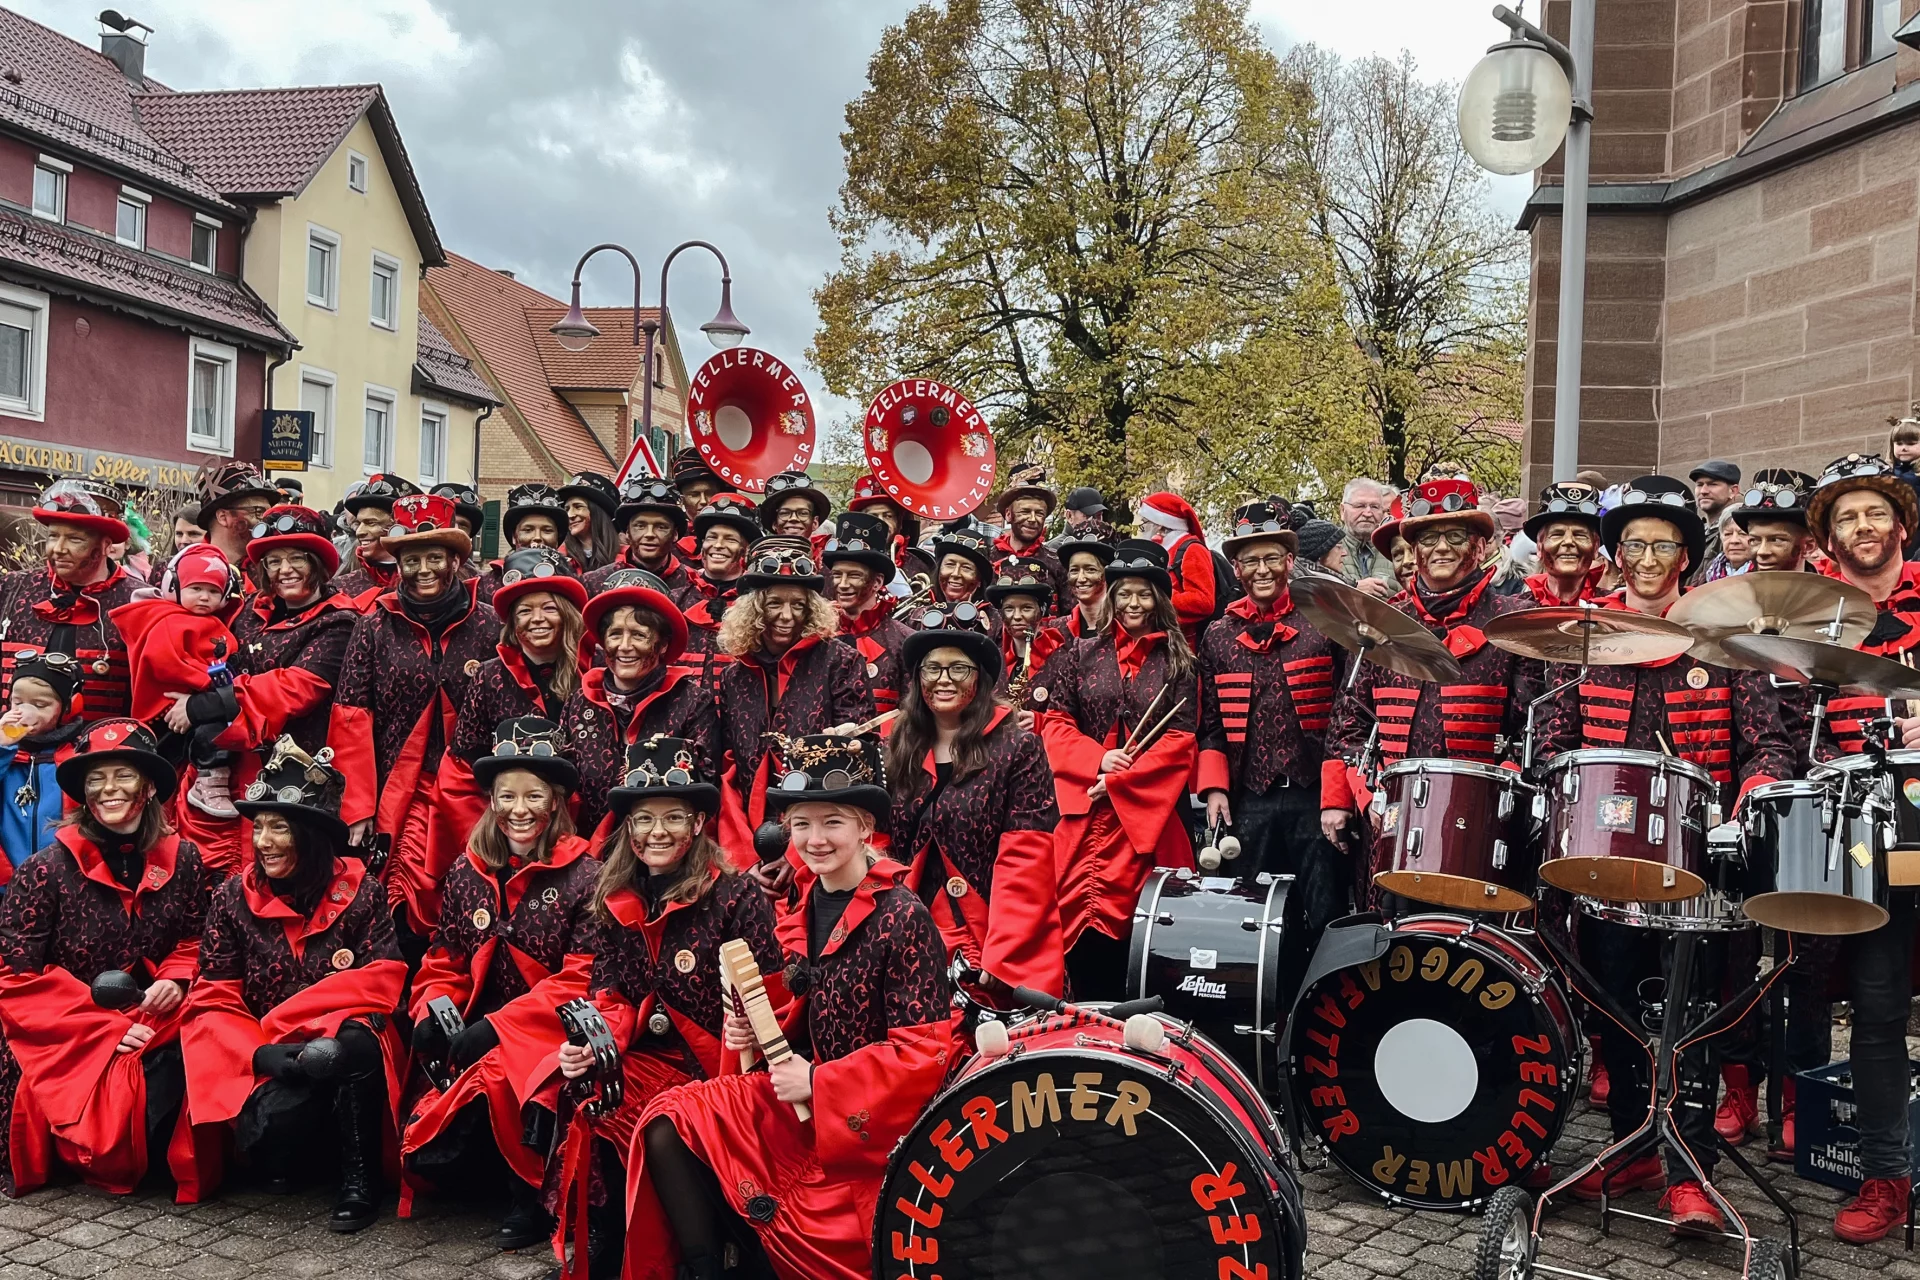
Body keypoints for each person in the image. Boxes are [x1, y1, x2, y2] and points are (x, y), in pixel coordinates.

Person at [1535, 473, 1794, 1234]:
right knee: (1614, 1005)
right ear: (1616, 555)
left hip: (1698, 863)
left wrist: (1754, 790)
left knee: (1692, 1015)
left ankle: (1692, 1170)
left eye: (1664, 544)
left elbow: (1767, 747)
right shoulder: (1585, 639)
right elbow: (1554, 740)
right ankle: (1629, 1144)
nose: (1648, 558)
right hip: (1606, 859)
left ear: (1687, 554)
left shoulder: (1722, 638)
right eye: (1635, 544)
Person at [626, 732, 952, 1280]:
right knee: (664, 1123)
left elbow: (924, 1053)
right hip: (800, 1100)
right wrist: (755, 1030)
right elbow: (808, 1013)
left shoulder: (903, 914)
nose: (815, 839)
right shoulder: (806, 903)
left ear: (865, 827)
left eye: (832, 822)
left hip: (864, 1123)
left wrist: (821, 1083)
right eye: (801, 824)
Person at [549, 736, 784, 1279]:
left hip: (723, 1064)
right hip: (650, 1055)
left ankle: (700, 1265)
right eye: (643, 819)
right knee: (586, 1094)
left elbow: (765, 1000)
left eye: (673, 817)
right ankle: (612, 1249)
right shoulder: (612, 894)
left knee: (662, 1124)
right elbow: (607, 995)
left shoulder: (734, 895)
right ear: (627, 828)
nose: (657, 832)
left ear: (699, 823)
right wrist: (589, 1047)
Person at [179, 739, 406, 1227]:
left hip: (337, 1040)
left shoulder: (363, 892)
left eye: (278, 826)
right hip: (262, 1047)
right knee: (274, 1136)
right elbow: (213, 993)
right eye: (257, 826)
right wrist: (257, 1052)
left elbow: (381, 979)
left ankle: (360, 1180)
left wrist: (309, 1024)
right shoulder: (231, 897)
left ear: (311, 834)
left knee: (361, 1042)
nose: (262, 842)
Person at [1785, 452, 1920, 1242]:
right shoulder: (1819, 619)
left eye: (1874, 514)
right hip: (1868, 837)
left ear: (1899, 523)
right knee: (1872, 1011)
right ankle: (1886, 1178)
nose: (1863, 529)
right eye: (1846, 519)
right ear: (1827, 538)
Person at [401, 718, 595, 1248]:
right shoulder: (469, 869)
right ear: (490, 800)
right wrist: (432, 1007)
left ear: (554, 802)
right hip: (479, 1019)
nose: (519, 809)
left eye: (533, 795)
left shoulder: (586, 875)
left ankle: (528, 1196)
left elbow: (582, 976)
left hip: (553, 1026)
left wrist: (499, 1026)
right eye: (506, 795)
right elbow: (447, 956)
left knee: (500, 1072)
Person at [0, 719, 207, 1196]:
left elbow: (198, 939)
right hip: (66, 1025)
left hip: (156, 1013)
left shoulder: (187, 859)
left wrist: (176, 980)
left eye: (123, 776)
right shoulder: (44, 871)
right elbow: (15, 975)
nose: (109, 790)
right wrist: (105, 1027)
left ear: (149, 785)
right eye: (96, 779)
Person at [1322, 478, 1533, 859]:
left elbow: (1535, 726)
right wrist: (1361, 795)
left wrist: (1499, 791)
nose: (1440, 548)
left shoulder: (1514, 621)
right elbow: (1347, 722)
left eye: (1455, 536)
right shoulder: (1381, 622)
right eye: (1428, 538)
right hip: (1387, 816)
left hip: (1482, 824)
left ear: (1480, 545)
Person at [1031, 537, 1199, 998]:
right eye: (1123, 592)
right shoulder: (1077, 654)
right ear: (1111, 594)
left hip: (1145, 813)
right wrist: (1098, 761)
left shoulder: (1179, 661)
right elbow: (1057, 723)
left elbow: (1180, 738)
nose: (1132, 603)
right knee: (1071, 920)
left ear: (1159, 599)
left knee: (1145, 926)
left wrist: (1123, 780)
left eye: (1144, 593)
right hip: (1083, 805)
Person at [330, 494, 497, 943]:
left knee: (471, 890)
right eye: (412, 559)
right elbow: (351, 713)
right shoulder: (375, 624)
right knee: (396, 897)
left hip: (474, 792)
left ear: (456, 560)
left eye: (434, 557)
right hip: (396, 791)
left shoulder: (490, 624)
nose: (424, 570)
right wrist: (357, 806)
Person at [171, 505, 359, 878]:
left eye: (295, 559)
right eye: (273, 561)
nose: (284, 570)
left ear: (318, 563)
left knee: (285, 875)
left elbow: (296, 689)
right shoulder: (249, 613)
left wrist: (204, 705)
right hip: (229, 770)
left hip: (295, 779)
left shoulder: (339, 621)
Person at [888, 606, 1063, 997]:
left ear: (979, 679)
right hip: (906, 927)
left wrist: (1006, 953)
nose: (943, 679)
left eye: (958, 669)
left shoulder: (1019, 747)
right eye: (931, 669)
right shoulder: (898, 745)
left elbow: (1026, 856)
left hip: (982, 934)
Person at [1197, 502, 1346, 938]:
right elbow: (1210, 724)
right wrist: (1215, 788)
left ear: (1290, 562)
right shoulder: (1218, 634)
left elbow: (1348, 712)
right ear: (1237, 568)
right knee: (1249, 916)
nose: (1262, 570)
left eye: (1271, 558)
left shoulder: (1325, 618)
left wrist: (1337, 795)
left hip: (1314, 795)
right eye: (1250, 561)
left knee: (1325, 913)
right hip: (1250, 798)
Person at [428, 547, 588, 882]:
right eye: (525, 610)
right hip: (510, 829)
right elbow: (462, 766)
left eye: (548, 608)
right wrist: (495, 837)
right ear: (513, 622)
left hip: (582, 827)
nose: (537, 618)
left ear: (567, 614)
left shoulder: (594, 673)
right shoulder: (489, 676)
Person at [713, 539, 875, 867]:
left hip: (820, 834)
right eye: (774, 604)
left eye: (798, 605)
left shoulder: (841, 661)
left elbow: (856, 759)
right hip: (749, 831)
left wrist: (795, 852)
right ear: (755, 608)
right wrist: (744, 852)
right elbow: (730, 766)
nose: (787, 616)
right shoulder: (734, 675)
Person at [560, 571, 715, 840]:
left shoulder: (693, 702)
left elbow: (705, 793)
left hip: (664, 853)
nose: (624, 646)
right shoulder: (579, 702)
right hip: (590, 857)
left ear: (663, 644)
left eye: (639, 635)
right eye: (615, 634)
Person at [111, 544, 243, 818]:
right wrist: (209, 687)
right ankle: (207, 779)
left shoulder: (212, 622)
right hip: (166, 707)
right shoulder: (167, 620)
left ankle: (208, 779)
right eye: (196, 589)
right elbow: (164, 661)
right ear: (174, 586)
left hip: (194, 702)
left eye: (214, 591)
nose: (205, 598)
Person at [0, 480, 140, 723]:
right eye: (53, 536)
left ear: (106, 545)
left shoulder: (138, 600)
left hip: (99, 753)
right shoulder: (11, 587)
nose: (58, 549)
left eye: (75, 539)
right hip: (12, 749)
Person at [0, 653, 85, 880]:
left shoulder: (81, 755)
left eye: (41, 704)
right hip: (7, 883)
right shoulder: (5, 752)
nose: (26, 711)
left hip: (65, 882)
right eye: (17, 702)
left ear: (68, 708)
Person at [822, 510, 912, 715]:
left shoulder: (904, 641)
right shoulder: (816, 636)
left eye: (854, 575)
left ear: (878, 582)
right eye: (837, 575)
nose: (842, 584)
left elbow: (913, 719)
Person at [677, 493, 760, 657]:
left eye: (730, 539)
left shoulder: (758, 602)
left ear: (746, 550)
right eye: (711, 537)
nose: (718, 545)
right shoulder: (676, 598)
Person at [588, 477, 695, 597]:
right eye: (640, 526)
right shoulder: (594, 583)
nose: (649, 534)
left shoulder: (694, 586)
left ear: (675, 534)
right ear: (627, 532)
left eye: (661, 527)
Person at [1135, 491, 1218, 645]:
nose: (1142, 528)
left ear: (1159, 524)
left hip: (1183, 645)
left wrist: (1155, 598)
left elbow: (1203, 601)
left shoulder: (1192, 549)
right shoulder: (1161, 548)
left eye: (1145, 522)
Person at [330, 474, 422, 608]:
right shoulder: (341, 587)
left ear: (399, 527)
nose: (360, 532)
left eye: (371, 523)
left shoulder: (432, 583)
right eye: (359, 523)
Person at [992, 466, 1070, 610]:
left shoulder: (1057, 563)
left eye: (1039, 513)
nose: (1033, 519)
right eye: (1025, 511)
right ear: (1009, 514)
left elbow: (1070, 616)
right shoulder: (988, 558)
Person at [1520, 481, 1605, 605]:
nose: (1569, 541)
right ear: (1539, 547)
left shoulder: (1612, 610)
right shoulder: (1515, 610)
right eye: (1557, 534)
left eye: (1580, 535)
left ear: (1595, 547)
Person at [479, 485, 571, 599]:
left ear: (557, 539)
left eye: (547, 530)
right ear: (514, 537)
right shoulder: (485, 585)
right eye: (528, 530)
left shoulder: (573, 577)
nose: (537, 537)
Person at [847, 472, 932, 584]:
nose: (881, 523)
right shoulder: (841, 563)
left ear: (899, 523)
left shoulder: (918, 564)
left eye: (888, 516)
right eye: (873, 516)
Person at [193, 460, 277, 571]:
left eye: (269, 513)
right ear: (223, 517)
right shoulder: (187, 569)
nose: (267, 521)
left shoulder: (273, 571)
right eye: (258, 512)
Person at [987, 555, 1057, 686]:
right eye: (1009, 608)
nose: (1017, 616)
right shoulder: (991, 660)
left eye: (1026, 608)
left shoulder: (1060, 659)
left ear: (1042, 610)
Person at [1732, 473, 1814, 573]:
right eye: (1754, 540)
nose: (1762, 551)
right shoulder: (1732, 588)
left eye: (1776, 540)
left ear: (1808, 546)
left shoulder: (1830, 588)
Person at [1336, 478, 1398, 598]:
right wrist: (1353, 589)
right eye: (1360, 506)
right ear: (1343, 511)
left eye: (1375, 507)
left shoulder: (1397, 550)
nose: (1368, 513)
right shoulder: (1327, 550)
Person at [1051, 528, 1114, 640]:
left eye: (1090, 569)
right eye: (1074, 570)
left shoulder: (1122, 625)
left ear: (1106, 573)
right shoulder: (1057, 630)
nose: (1081, 578)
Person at [1686, 459, 1740, 585]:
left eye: (1712, 484)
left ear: (1733, 491)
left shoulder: (1740, 529)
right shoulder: (1697, 531)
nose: (1703, 491)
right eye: (1699, 484)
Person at [671, 450, 727, 568]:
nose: (703, 501)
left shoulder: (736, 532)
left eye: (709, 493)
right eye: (694, 494)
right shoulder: (671, 534)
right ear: (682, 499)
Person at [558, 472, 621, 575]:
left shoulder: (625, 558)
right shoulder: (560, 559)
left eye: (578, 506)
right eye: (567, 509)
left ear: (598, 513)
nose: (570, 515)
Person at [929, 525, 996, 606]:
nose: (956, 574)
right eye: (950, 564)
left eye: (966, 568)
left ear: (979, 581)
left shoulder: (991, 617)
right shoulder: (919, 612)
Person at [760, 471, 833, 543]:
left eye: (803, 513)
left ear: (815, 523)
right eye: (785, 513)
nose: (793, 518)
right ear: (775, 524)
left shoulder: (827, 554)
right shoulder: (758, 554)